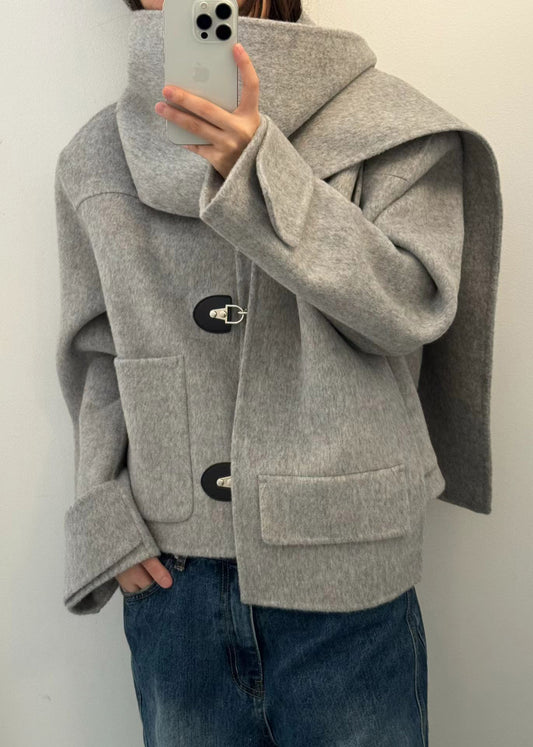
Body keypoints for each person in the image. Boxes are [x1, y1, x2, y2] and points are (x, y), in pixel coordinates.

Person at [54, 0, 502, 744]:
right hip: (174, 583)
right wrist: (107, 517)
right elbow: (95, 353)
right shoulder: (98, 153)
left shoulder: (392, 127)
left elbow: (409, 309)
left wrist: (262, 175)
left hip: (347, 582)